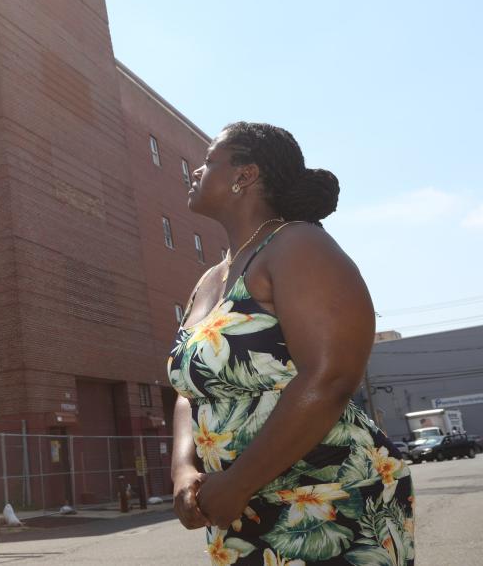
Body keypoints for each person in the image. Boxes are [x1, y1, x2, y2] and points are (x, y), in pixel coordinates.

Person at [168, 122, 414, 565]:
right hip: (237, 505)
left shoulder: (298, 245)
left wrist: (240, 481)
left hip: (327, 493)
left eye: (208, 162)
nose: (195, 172)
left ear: (245, 175)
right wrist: (184, 470)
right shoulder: (209, 280)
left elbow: (330, 376)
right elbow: (190, 389)